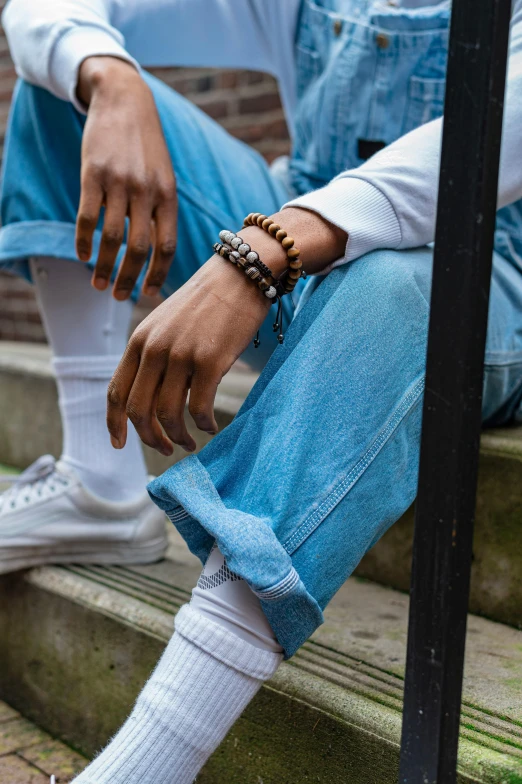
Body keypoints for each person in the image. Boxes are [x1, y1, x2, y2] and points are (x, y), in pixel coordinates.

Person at [1, 0, 522, 781]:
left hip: (487, 284)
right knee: (59, 88)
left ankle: (145, 768)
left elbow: (493, 135)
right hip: (294, 244)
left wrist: (268, 249)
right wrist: (108, 81)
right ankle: (102, 490)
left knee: (390, 288)